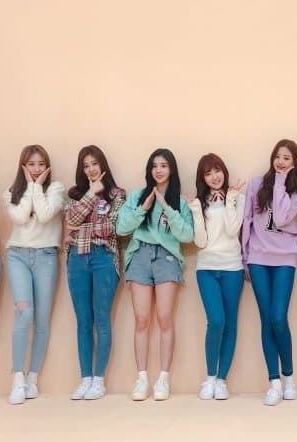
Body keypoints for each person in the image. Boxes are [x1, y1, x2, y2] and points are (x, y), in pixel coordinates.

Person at [118, 148, 195, 401]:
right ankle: (141, 378)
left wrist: (166, 207)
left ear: (171, 169)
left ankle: (163, 378)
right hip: (140, 255)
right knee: (141, 320)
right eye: (154, 166)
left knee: (164, 319)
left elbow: (187, 235)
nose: (158, 170)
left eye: (163, 165)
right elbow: (121, 228)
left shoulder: (179, 201)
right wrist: (144, 208)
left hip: (167, 257)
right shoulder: (137, 196)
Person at [242, 139, 297, 406]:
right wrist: (245, 256)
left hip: (285, 259)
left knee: (279, 317)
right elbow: (247, 220)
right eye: (278, 156)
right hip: (258, 258)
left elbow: (279, 218)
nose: (280, 162)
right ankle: (274, 382)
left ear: (295, 163)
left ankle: (289, 377)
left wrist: (280, 182)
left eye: (286, 158)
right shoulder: (256, 183)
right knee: (266, 319)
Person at [3, 145, 65, 404]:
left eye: (41, 164)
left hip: (46, 257)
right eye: (31, 164)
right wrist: (30, 187)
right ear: (23, 166)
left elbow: (45, 214)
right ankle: (17, 379)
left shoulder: (56, 189)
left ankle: (32, 378)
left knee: (42, 320)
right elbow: (19, 218)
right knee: (24, 313)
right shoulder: (10, 193)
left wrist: (37, 187)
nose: (37, 168)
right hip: (17, 256)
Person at [65, 145, 125, 400]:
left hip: (104, 259)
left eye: (94, 164)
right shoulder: (74, 194)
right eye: (86, 165)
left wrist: (81, 224)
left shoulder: (117, 194)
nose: (90, 169)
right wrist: (91, 194)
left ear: (103, 165)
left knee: (102, 319)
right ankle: (85, 379)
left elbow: (111, 229)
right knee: (83, 321)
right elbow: (71, 220)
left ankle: (99, 381)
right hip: (77, 259)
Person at [187, 153, 246, 400]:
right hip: (206, 268)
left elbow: (233, 231)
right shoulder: (199, 203)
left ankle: (222, 380)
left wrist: (230, 201)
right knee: (216, 321)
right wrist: (196, 210)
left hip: (232, 268)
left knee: (230, 323)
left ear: (224, 171)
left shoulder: (238, 198)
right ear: (203, 178)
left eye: (217, 170)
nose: (214, 176)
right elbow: (200, 242)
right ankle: (210, 378)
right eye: (208, 173)